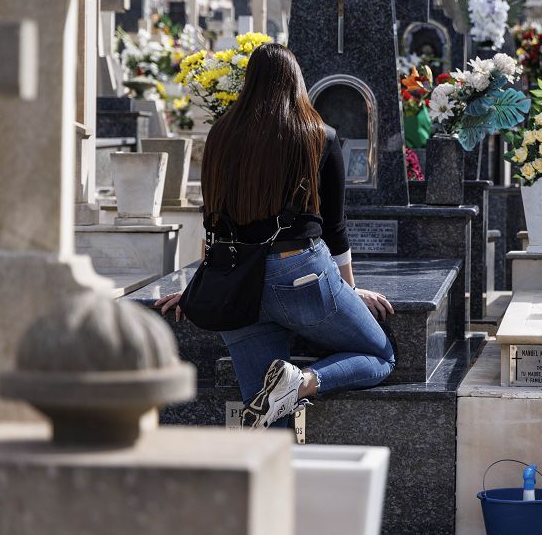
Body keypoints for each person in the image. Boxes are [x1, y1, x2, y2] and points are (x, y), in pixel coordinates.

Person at [155, 43, 396, 429]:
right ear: (295, 83)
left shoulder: (219, 136)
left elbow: (212, 220)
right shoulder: (319, 135)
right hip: (298, 275)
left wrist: (202, 285)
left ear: (248, 83)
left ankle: (278, 481)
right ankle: (300, 382)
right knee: (381, 356)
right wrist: (348, 291)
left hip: (234, 283)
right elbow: (334, 228)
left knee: (267, 418)